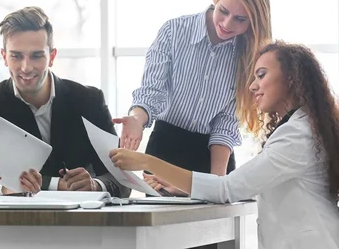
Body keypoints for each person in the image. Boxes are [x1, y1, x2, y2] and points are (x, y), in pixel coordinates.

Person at [110, 42, 339, 248]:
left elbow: (228, 188)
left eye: (261, 75)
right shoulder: (301, 127)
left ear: (291, 78)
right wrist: (183, 187)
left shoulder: (297, 135)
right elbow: (250, 185)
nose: (252, 86)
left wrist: (147, 161)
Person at [115, 0, 272, 184]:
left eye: (240, 19)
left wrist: (215, 182)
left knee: (213, 217)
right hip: (165, 151)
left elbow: (225, 122)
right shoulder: (174, 31)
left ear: (253, 21)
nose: (227, 24)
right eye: (223, 11)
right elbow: (152, 92)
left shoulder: (250, 54)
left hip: (214, 156)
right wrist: (136, 119)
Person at [0, 6, 130, 198]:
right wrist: (53, 185)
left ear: (52, 57)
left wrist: (95, 185)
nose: (26, 67)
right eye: (16, 56)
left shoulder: (89, 100)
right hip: (14, 221)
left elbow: (122, 179)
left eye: (36, 56)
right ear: (4, 57)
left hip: (83, 221)